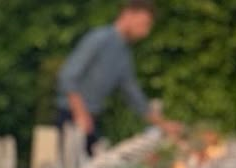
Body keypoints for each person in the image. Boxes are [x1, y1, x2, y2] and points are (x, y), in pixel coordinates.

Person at [56, 1, 178, 153]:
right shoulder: (99, 38)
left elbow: (133, 95)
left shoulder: (124, 54)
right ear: (128, 14)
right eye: (144, 24)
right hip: (72, 118)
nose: (145, 32)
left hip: (91, 120)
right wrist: (80, 113)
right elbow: (67, 76)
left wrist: (164, 124)